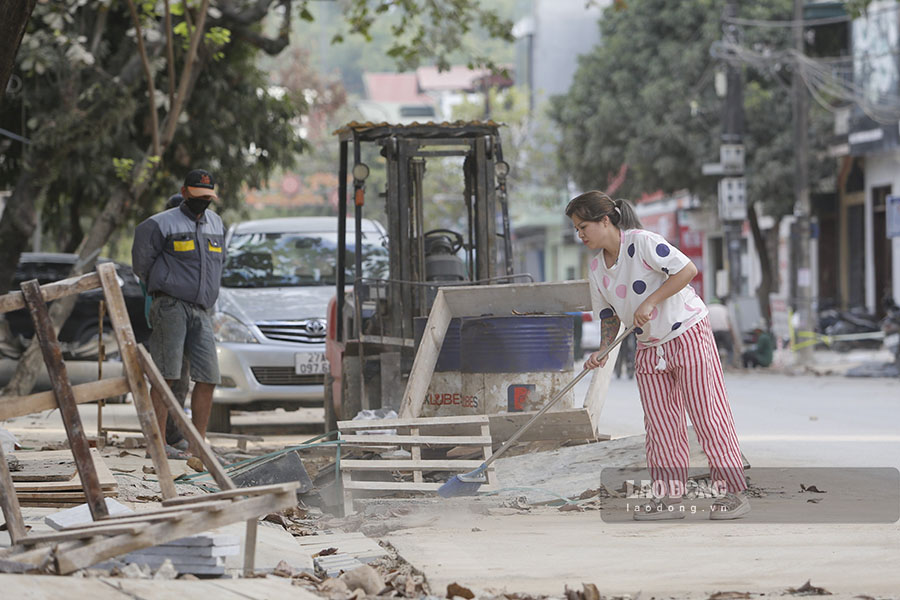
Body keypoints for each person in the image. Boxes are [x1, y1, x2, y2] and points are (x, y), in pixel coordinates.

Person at [567, 191, 749, 520]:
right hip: (649, 347)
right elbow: (608, 316)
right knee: (661, 426)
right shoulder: (596, 269)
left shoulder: (643, 242)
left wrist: (650, 301)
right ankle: (669, 499)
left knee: (708, 415)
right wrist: (603, 351)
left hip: (687, 333)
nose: (580, 235)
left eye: (583, 227)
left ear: (604, 220)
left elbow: (687, 270)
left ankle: (733, 492)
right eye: (577, 230)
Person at [132, 170, 225, 461]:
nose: (203, 203)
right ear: (184, 193)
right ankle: (156, 444)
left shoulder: (217, 224)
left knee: (208, 377)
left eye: (207, 198)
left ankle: (197, 445)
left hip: (202, 310)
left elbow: (219, 263)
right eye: (197, 197)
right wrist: (165, 285)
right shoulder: (159, 224)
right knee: (166, 377)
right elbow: (141, 263)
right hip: (171, 306)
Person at [707, 297, 739, 367]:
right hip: (724, 330)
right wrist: (733, 335)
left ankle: (716, 364)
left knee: (715, 349)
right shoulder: (724, 308)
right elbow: (729, 323)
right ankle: (729, 364)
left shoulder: (707, 308)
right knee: (729, 349)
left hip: (713, 331)